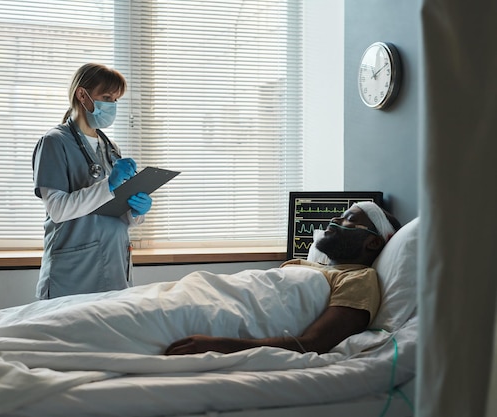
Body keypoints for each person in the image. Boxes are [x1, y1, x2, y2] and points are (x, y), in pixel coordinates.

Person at [165, 201, 401, 355]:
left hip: (209, 317)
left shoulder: (358, 278)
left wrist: (219, 345)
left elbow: (312, 344)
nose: (335, 220)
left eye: (349, 219)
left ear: (373, 241)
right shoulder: (302, 264)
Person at [32, 63, 153, 299]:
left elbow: (111, 211)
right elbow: (57, 209)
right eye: (106, 97)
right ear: (82, 94)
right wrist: (108, 185)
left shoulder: (111, 149)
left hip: (114, 265)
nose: (112, 105)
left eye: (116, 100)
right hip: (73, 270)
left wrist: (136, 211)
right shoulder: (54, 142)